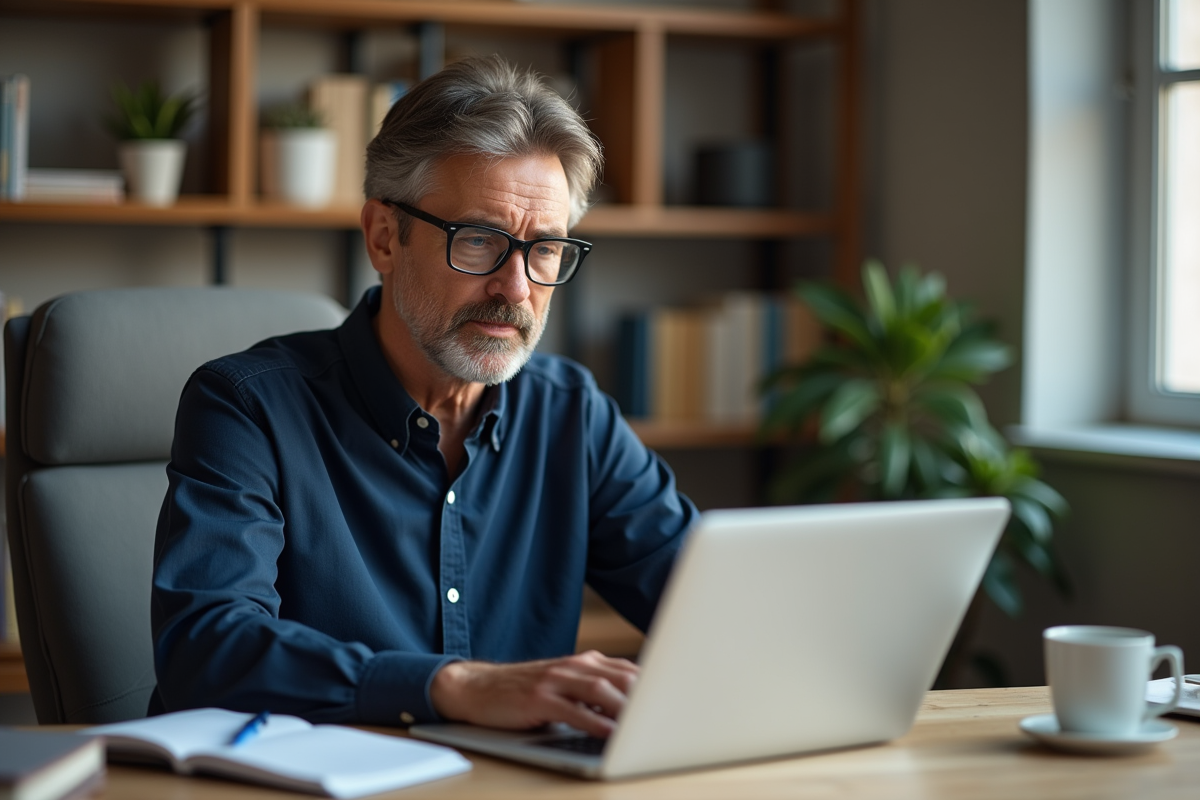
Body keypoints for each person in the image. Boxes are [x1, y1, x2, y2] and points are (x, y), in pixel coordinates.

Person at [150, 55, 698, 738]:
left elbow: (709, 604)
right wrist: (456, 687)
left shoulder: (572, 415)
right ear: (384, 236)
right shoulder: (246, 406)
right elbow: (204, 647)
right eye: (479, 241)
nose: (517, 290)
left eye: (546, 249)